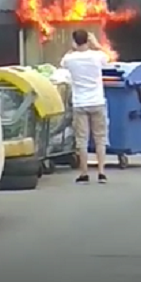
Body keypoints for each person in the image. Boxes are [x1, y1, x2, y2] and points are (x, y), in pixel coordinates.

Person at [60, 29, 109, 183]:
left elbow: (62, 63)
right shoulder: (97, 56)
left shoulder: (69, 59)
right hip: (97, 102)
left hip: (80, 103)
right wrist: (96, 44)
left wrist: (74, 48)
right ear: (88, 40)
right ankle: (101, 172)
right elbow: (107, 58)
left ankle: (84, 173)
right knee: (100, 138)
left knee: (82, 139)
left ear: (74, 41)